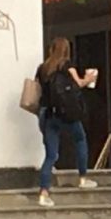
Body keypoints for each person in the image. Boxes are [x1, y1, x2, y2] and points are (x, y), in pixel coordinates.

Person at [35, 37, 98, 207]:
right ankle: (83, 178)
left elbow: (38, 90)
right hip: (68, 114)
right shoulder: (67, 65)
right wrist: (89, 79)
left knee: (50, 155)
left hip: (49, 115)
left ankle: (43, 192)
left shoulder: (43, 68)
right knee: (80, 140)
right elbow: (78, 84)